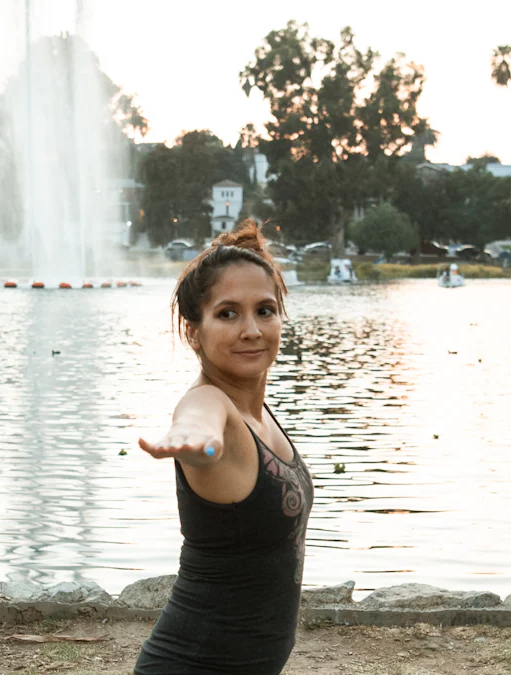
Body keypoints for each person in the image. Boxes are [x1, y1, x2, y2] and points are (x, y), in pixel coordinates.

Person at [134, 219, 314, 675]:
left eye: (265, 310)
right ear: (195, 332)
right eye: (228, 313)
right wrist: (193, 439)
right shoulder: (210, 402)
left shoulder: (256, 410)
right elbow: (200, 417)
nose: (252, 329)